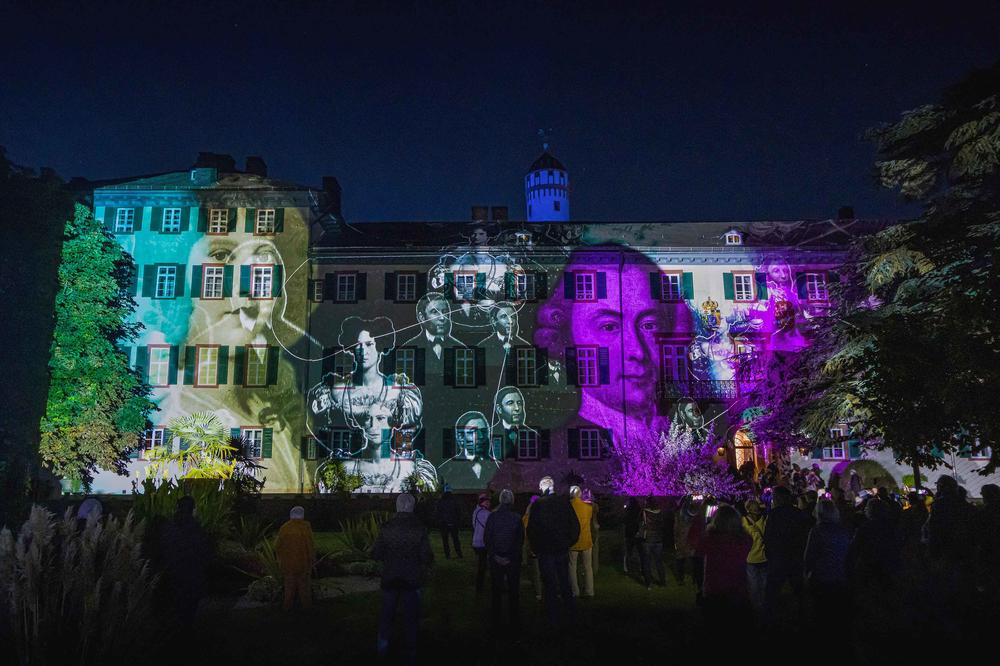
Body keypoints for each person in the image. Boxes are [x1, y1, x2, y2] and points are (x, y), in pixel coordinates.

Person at [373, 493, 434, 665]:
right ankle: (411, 653)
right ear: (412, 507)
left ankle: (382, 650)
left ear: (397, 506)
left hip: (390, 577)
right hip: (411, 579)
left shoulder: (387, 527)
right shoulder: (420, 528)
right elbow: (426, 556)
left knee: (386, 616)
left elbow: (376, 553)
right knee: (411, 619)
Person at [526, 476, 580, 628]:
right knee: (564, 580)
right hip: (561, 548)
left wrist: (535, 547)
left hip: (545, 550)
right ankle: (569, 612)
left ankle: (552, 614)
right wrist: (569, 542)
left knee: (549, 583)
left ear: (542, 488)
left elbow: (532, 530)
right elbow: (574, 525)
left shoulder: (538, 505)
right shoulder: (564, 503)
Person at [157, 495, 212, 628]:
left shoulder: (169, 527)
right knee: (188, 611)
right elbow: (204, 552)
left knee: (175, 609)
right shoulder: (196, 528)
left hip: (173, 575)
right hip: (192, 576)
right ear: (193, 509)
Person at [763, 486, 810, 614]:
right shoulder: (798, 513)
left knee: (772, 592)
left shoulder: (774, 514)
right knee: (799, 590)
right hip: (795, 557)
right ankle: (804, 616)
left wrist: (769, 554)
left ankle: (770, 620)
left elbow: (768, 537)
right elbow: (804, 535)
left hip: (779, 558)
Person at [700, 505, 751, 620]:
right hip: (738, 588)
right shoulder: (744, 540)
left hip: (714, 588)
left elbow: (698, 548)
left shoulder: (710, 539)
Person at [804, 499, 851, 623]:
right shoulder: (843, 529)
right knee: (837, 611)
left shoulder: (817, 531)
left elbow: (809, 556)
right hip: (840, 575)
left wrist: (807, 574)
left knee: (821, 611)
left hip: (822, 577)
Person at [484, 489, 524, 628]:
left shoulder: (492, 517)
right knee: (513, 590)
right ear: (512, 501)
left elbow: (487, 539)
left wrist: (495, 555)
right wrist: (510, 557)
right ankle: (514, 618)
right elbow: (519, 541)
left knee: (496, 590)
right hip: (512, 560)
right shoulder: (517, 518)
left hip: (496, 559)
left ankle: (496, 618)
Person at [402, 292, 465, 368]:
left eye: (445, 312)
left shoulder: (460, 347)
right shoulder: (409, 348)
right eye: (434, 312)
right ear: (422, 317)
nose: (442, 318)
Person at [275, 505, 316, 610]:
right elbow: (310, 546)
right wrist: (312, 560)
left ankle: (287, 608)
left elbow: (277, 546)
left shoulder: (284, 528)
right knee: (304, 589)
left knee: (289, 588)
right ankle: (307, 609)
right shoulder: (306, 528)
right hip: (303, 564)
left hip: (288, 564)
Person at [492, 386, 537, 459]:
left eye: (519, 403)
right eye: (510, 403)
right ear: (499, 409)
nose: (517, 408)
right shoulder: (490, 435)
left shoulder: (532, 435)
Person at [741, 499, 767, 613]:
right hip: (756, 558)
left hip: (758, 557)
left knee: (759, 585)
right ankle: (759, 606)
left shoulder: (763, 520)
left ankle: (759, 607)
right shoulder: (745, 521)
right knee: (758, 585)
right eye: (754, 506)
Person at [568, 485, 595, 597]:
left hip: (573, 541)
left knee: (572, 567)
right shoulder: (588, 508)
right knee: (588, 567)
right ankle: (590, 591)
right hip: (586, 540)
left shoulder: (568, 507)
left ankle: (575, 591)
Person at [640, 496, 666, 589]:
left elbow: (642, 523)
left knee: (647, 562)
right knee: (659, 561)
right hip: (658, 539)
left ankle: (649, 583)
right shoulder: (660, 512)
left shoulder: (645, 512)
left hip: (648, 539)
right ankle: (662, 582)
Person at [522, 495, 543, 601]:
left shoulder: (529, 516)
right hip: (542, 547)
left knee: (536, 570)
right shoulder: (544, 514)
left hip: (534, 547)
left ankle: (539, 592)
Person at [434, 486, 463, 559]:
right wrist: (458, 520)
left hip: (443, 523)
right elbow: (458, 512)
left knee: (445, 540)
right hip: (453, 522)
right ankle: (459, 554)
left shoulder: (441, 501)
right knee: (455, 539)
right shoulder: (455, 500)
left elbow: (437, 512)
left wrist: (439, 520)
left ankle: (447, 555)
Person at [472, 493, 492, 593]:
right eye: (487, 501)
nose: (489, 503)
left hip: (476, 541)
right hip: (482, 543)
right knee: (482, 566)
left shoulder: (476, 511)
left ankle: (479, 585)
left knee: (480, 564)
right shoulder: (486, 514)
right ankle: (480, 587)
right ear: (483, 502)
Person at [623, 497, 641, 575]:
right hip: (636, 533)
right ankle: (639, 568)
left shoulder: (627, 512)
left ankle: (627, 568)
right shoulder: (638, 511)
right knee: (638, 551)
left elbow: (624, 521)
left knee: (628, 552)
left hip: (629, 533)